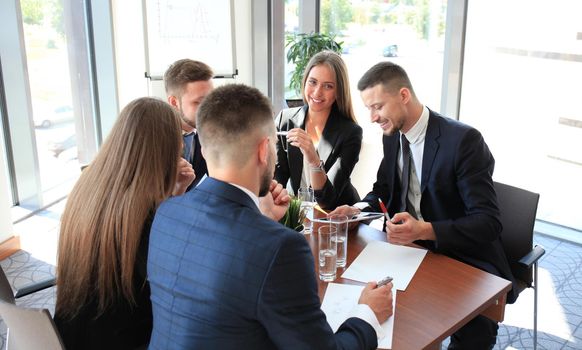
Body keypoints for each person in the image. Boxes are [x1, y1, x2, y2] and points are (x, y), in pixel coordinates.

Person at [147, 84, 393, 349]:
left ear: (205, 149)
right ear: (264, 150)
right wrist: (367, 314)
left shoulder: (166, 213)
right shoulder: (281, 248)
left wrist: (262, 218)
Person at [330, 61, 517, 350]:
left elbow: (488, 222)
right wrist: (356, 209)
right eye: (369, 108)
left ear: (403, 95)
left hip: (464, 258)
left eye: (377, 106)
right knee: (395, 323)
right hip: (412, 254)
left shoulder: (463, 141)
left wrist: (426, 230)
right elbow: (383, 192)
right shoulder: (392, 137)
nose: (372, 117)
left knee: (468, 335)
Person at [54, 97, 195, 350]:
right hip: (127, 339)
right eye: (176, 150)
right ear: (161, 156)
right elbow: (177, 281)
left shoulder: (87, 190)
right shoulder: (143, 217)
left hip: (73, 336)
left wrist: (175, 194)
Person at [275, 50, 362, 210]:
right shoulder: (284, 120)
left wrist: (313, 159)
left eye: (328, 86)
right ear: (305, 81)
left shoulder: (351, 133)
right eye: (313, 82)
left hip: (338, 217)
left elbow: (328, 199)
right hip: (299, 215)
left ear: (338, 91)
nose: (317, 92)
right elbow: (277, 180)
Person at [164, 58, 214, 187]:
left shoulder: (213, 136)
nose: (209, 109)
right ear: (174, 102)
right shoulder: (153, 141)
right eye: (199, 102)